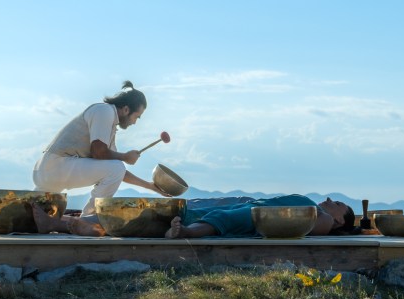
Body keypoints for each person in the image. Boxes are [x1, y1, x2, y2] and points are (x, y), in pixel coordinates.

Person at [32, 81, 169, 223]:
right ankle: (87, 219)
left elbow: (115, 171)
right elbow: (99, 153)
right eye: (137, 116)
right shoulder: (104, 111)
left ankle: (74, 220)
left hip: (47, 170)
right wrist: (125, 157)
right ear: (126, 109)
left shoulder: (109, 124)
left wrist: (150, 186)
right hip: (55, 166)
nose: (135, 122)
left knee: (33, 218)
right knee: (117, 167)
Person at [164, 195, 356, 238]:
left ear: (339, 221)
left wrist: (271, 220)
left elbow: (309, 227)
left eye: (338, 204)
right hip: (255, 206)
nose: (331, 199)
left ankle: (186, 233)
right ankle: (170, 229)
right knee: (202, 212)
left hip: (264, 216)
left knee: (222, 217)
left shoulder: (326, 219)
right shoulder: (316, 209)